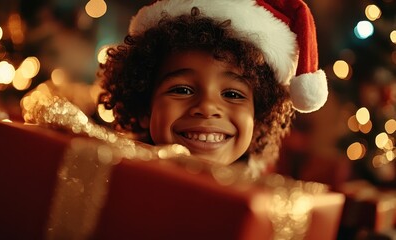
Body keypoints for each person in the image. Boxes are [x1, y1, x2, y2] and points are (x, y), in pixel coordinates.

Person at [98, 0, 328, 167]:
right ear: (144, 106)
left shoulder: (264, 209)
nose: (207, 107)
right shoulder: (112, 180)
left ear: (258, 117)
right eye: (182, 90)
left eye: (233, 94)